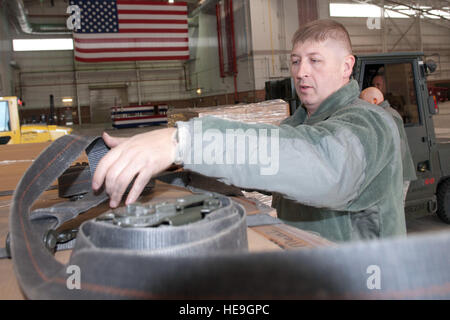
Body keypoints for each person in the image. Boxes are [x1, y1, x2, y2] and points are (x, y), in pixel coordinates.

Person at [92, 19, 406, 242]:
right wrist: (193, 169)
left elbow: (325, 167)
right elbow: (277, 171)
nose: (301, 72)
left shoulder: (370, 123)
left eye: (314, 60)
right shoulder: (297, 124)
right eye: (295, 61)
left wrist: (185, 142)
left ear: (346, 66)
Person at [360, 86, 417, 205]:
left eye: (364, 103)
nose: (362, 107)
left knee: (393, 215)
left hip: (398, 176)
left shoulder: (388, 116)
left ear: (375, 101)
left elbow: (398, 147)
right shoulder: (385, 114)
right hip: (395, 174)